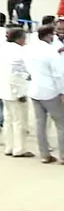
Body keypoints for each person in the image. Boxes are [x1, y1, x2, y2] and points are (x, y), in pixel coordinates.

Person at [23, 25, 64, 165]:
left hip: (35, 90)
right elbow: (57, 75)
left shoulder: (29, 49)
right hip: (50, 91)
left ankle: (44, 155)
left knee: (40, 124)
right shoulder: (51, 52)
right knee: (61, 124)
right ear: (48, 35)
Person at [0, 28, 33, 158]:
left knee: (9, 120)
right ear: (19, 38)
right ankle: (19, 149)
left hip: (4, 90)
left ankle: (9, 146)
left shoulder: (3, 48)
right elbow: (16, 73)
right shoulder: (18, 51)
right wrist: (20, 93)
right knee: (19, 121)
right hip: (15, 91)